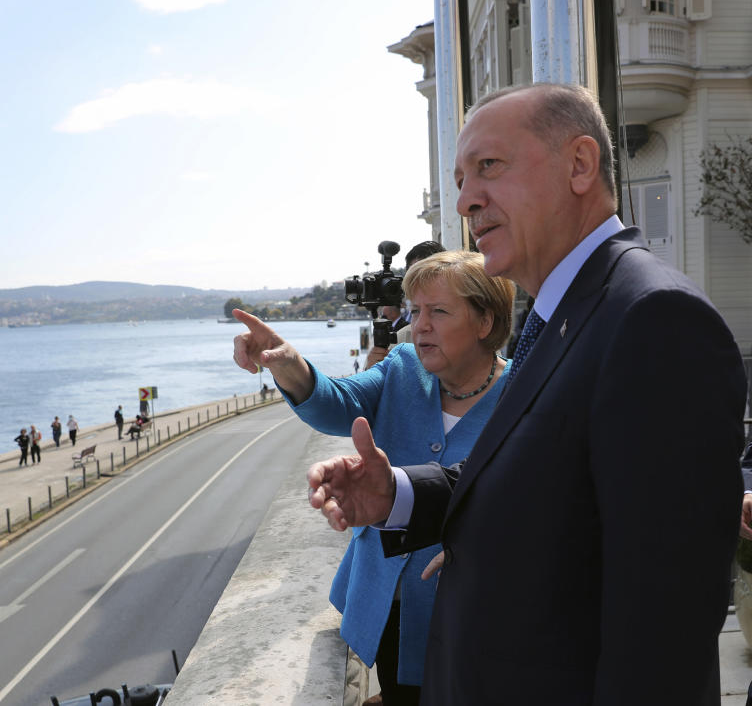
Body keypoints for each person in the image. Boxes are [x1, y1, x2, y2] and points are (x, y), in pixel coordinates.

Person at [307, 83, 747, 706]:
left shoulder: (654, 318)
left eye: (489, 167)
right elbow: (543, 481)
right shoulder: (568, 311)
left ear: (579, 164)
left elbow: (664, 626)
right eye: (461, 179)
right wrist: (398, 493)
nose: (466, 199)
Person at [234, 250, 514, 706]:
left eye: (439, 311)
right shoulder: (402, 367)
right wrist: (286, 362)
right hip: (386, 603)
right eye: (416, 310)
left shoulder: (521, 396)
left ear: (485, 322)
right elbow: (336, 402)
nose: (419, 325)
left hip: (467, 621)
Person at [365, 240, 446, 370]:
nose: (421, 286)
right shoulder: (397, 343)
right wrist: (372, 371)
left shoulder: (467, 334)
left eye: (428, 276)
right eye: (414, 278)